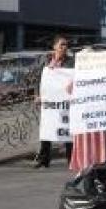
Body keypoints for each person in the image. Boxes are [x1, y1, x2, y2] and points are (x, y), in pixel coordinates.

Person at [33, 35, 74, 168]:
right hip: (50, 102)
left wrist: (73, 84)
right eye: (62, 44)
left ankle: (71, 159)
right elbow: (39, 79)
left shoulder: (71, 62)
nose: (64, 47)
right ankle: (44, 159)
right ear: (54, 46)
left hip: (65, 101)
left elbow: (77, 77)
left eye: (66, 45)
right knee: (47, 128)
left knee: (67, 128)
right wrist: (37, 95)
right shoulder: (46, 61)